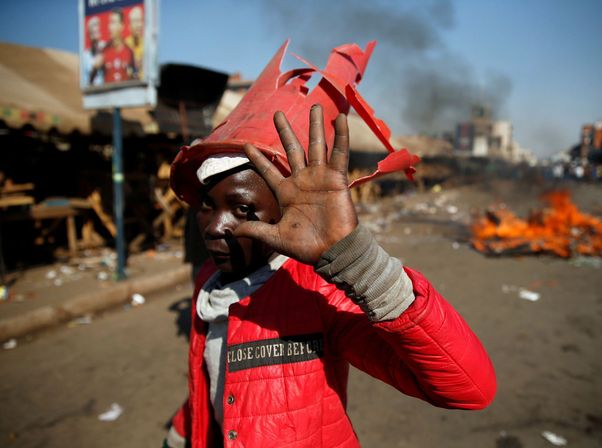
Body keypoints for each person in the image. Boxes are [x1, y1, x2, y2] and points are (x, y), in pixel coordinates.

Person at [163, 42, 496, 448]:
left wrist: (361, 264)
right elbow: (218, 375)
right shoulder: (209, 283)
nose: (216, 227)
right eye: (205, 206)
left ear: (283, 214)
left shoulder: (318, 296)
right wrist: (183, 431)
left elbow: (468, 389)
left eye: (243, 209)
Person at [97, 8, 136, 83]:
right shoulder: (103, 51)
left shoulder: (129, 52)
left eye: (113, 22)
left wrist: (132, 75)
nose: (109, 27)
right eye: (110, 23)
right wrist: (94, 69)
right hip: (107, 94)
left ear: (121, 26)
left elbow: (135, 78)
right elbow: (91, 82)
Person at [124, 5, 144, 79]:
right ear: (129, 25)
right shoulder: (125, 45)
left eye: (140, 20)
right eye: (135, 21)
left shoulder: (147, 45)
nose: (138, 25)